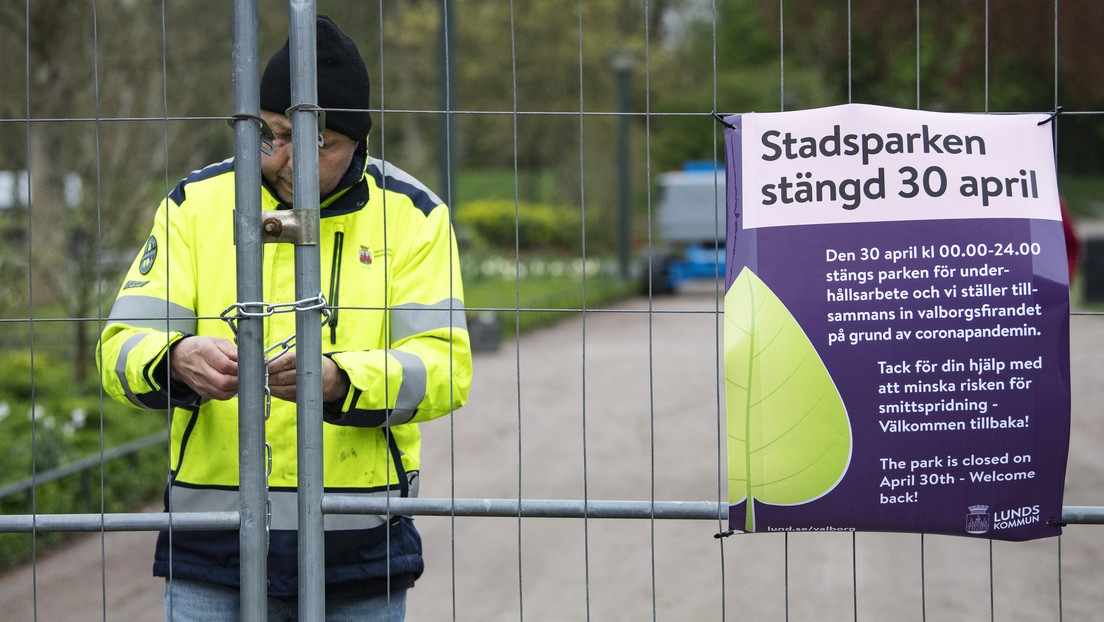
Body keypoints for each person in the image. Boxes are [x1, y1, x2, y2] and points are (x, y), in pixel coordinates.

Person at [97, 14, 472, 621]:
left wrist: (340, 380)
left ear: (357, 141)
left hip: (357, 541)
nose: (284, 158)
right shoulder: (194, 205)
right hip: (213, 538)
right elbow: (118, 347)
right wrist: (172, 358)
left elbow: (445, 368)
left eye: (317, 141)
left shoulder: (413, 215)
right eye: (271, 133)